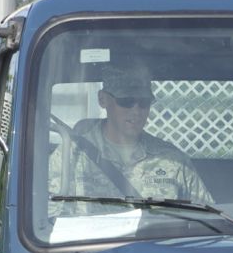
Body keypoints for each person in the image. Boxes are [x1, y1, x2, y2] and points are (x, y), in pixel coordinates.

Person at [52, 62, 211, 208]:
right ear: (103, 100)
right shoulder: (71, 155)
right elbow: (48, 216)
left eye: (144, 102)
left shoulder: (173, 160)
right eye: (126, 101)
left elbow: (207, 218)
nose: (136, 111)